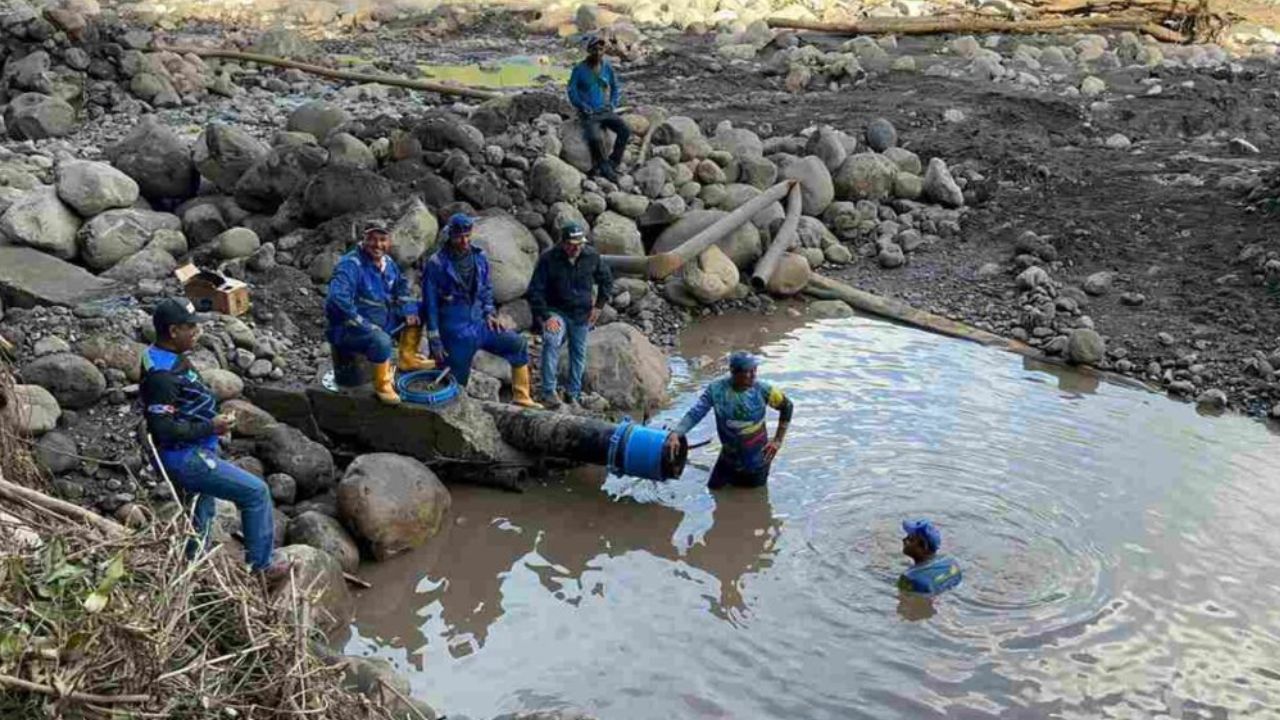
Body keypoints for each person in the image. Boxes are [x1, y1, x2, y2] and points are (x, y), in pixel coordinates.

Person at [140, 298, 289, 581]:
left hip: (194, 449)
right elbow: (164, 430)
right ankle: (261, 566)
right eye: (191, 328)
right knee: (255, 493)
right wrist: (211, 426)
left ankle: (191, 571)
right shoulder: (161, 376)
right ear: (173, 331)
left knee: (201, 512)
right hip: (185, 458)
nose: (197, 333)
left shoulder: (168, 356)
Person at [422, 213, 541, 408]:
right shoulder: (437, 263)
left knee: (517, 344)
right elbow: (430, 304)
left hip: (480, 322)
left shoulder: (479, 257)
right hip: (454, 328)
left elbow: (486, 289)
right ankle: (454, 410)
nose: (464, 241)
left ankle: (522, 396)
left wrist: (489, 313)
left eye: (468, 236)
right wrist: (434, 337)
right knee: (455, 378)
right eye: (459, 236)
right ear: (450, 235)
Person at [324, 219, 432, 405]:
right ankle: (382, 385)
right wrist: (365, 326)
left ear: (389, 241)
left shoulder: (387, 262)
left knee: (419, 310)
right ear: (364, 239)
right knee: (381, 340)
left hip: (382, 318)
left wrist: (408, 309)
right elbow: (336, 300)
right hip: (349, 329)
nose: (378, 245)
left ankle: (407, 358)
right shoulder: (350, 265)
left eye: (383, 240)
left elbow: (401, 287)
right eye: (373, 239)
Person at [671, 351, 793, 489]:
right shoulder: (716, 390)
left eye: (755, 370)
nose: (753, 375)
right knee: (713, 489)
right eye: (748, 371)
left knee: (753, 500)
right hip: (728, 456)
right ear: (734, 372)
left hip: (756, 458)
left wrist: (777, 440)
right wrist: (677, 433)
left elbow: (787, 406)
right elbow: (696, 413)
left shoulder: (763, 390)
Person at [526, 222, 613, 409]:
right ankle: (549, 391)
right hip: (556, 311)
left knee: (579, 352)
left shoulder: (591, 256)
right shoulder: (548, 259)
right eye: (572, 244)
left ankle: (573, 392)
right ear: (563, 243)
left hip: (581, 313)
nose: (576, 248)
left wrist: (599, 307)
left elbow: (606, 280)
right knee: (551, 339)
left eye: (580, 244)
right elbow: (535, 290)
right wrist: (545, 316)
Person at [567, 34, 630, 181]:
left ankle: (614, 161)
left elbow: (615, 87)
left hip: (604, 110)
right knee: (595, 138)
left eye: (601, 49)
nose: (598, 53)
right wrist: (581, 105)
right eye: (594, 49)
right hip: (588, 113)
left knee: (625, 130)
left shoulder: (607, 67)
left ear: (604, 51)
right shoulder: (579, 69)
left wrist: (613, 104)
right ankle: (604, 166)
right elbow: (571, 91)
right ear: (589, 51)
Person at [898, 519, 962, 595]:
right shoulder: (952, 563)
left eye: (910, 539)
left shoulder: (909, 578)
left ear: (924, 548)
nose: (904, 540)